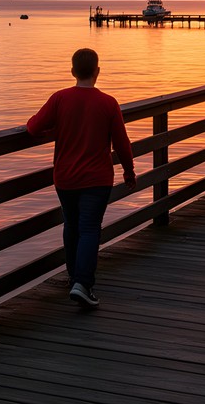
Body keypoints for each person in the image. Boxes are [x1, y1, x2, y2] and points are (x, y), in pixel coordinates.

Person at [26, 48, 136, 308]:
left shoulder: (59, 99)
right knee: (89, 229)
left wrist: (55, 127)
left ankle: (74, 276)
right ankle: (83, 284)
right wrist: (129, 171)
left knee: (71, 225)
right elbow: (122, 144)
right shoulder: (108, 103)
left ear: (72, 71)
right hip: (97, 179)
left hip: (65, 177)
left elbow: (32, 128)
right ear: (97, 71)